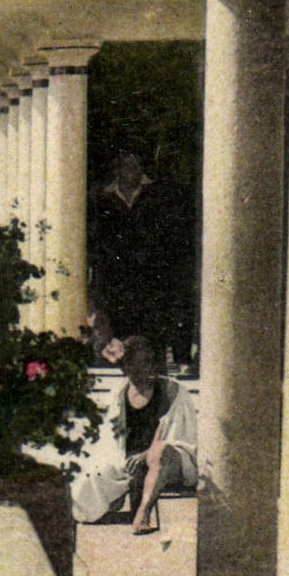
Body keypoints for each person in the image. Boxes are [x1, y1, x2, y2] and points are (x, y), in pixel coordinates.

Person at [71, 337, 197, 534]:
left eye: (150, 360)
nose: (150, 367)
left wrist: (146, 455)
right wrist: (126, 461)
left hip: (168, 460)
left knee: (160, 452)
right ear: (128, 367)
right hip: (128, 461)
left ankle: (143, 513)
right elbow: (110, 442)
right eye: (142, 362)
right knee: (87, 481)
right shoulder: (119, 394)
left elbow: (180, 437)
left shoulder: (172, 391)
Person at [87, 151, 197, 366]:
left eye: (135, 164)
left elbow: (171, 239)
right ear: (116, 169)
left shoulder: (159, 196)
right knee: (117, 341)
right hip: (115, 283)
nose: (131, 170)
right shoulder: (102, 199)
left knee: (151, 340)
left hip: (151, 282)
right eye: (125, 165)